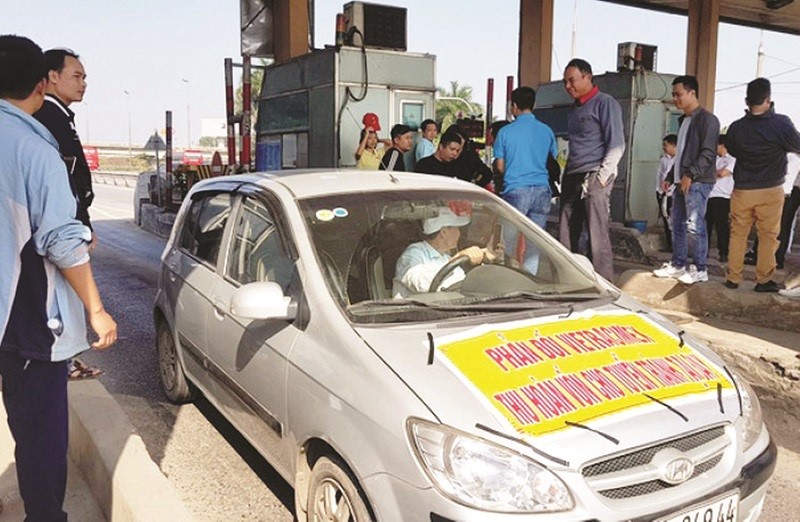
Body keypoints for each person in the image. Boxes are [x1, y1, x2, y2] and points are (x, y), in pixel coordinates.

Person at [0, 34, 117, 521]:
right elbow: (61, 243)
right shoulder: (32, 145)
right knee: (40, 436)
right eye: (77, 75)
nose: (83, 83)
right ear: (41, 83)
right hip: (26, 320)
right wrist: (96, 309)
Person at [33, 48, 103, 380]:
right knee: (60, 295)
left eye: (85, 77)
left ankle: (68, 360)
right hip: (61, 225)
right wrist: (80, 224)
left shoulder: (59, 115)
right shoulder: (48, 117)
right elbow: (65, 182)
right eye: (77, 76)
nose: (84, 83)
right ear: (51, 78)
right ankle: (61, 360)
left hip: (69, 221)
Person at [724, 77, 800, 292]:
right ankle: (763, 280)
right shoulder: (781, 123)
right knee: (768, 236)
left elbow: (733, 150)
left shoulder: (737, 128)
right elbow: (797, 145)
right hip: (770, 189)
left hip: (743, 189)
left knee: (738, 234)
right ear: (768, 99)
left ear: (747, 100)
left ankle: (733, 278)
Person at [559, 59, 625, 281]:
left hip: (595, 175)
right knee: (567, 233)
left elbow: (617, 143)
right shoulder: (573, 109)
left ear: (587, 77)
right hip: (572, 175)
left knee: (597, 236)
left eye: (572, 80)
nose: (568, 86)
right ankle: (572, 280)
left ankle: (604, 284)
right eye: (565, 82)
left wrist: (602, 178)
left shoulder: (605, 103)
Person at [653, 75, 720, 285]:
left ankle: (700, 269)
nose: (675, 98)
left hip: (697, 181)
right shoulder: (684, 120)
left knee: (694, 224)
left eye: (678, 94)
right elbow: (681, 154)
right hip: (681, 181)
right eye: (674, 94)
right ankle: (678, 263)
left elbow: (708, 153)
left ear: (692, 93)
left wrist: (690, 174)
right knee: (677, 223)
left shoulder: (707, 120)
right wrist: (671, 177)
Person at [493, 86, 558, 273]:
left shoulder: (505, 132)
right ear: (534, 105)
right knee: (534, 244)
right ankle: (530, 280)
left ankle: (508, 277)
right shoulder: (546, 131)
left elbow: (499, 166)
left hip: (516, 190)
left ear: (513, 106)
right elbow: (550, 159)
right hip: (542, 191)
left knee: (508, 241)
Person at [393, 207, 500, 298]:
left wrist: (486, 258)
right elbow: (421, 284)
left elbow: (461, 284)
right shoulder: (412, 254)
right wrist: (457, 258)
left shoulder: (444, 257)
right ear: (443, 232)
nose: (459, 234)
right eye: (457, 229)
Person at [744, 152, 800, 269]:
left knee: (782, 226)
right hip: (772, 191)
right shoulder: (780, 155)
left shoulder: (793, 158)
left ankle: (777, 259)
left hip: (785, 194)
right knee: (764, 224)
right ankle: (758, 255)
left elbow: (783, 176)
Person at [706, 135, 735, 263]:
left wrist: (712, 172)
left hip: (723, 197)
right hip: (709, 195)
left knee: (721, 226)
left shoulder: (732, 159)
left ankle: (724, 252)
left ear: (722, 145)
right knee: (705, 225)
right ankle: (703, 251)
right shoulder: (714, 159)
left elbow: (723, 173)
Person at [656, 134, 677, 252]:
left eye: (666, 145)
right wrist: (659, 190)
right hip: (662, 192)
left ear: (674, 145)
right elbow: (660, 175)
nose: (664, 147)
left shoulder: (679, 160)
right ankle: (670, 245)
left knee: (674, 220)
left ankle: (677, 246)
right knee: (666, 220)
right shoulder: (663, 159)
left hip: (673, 193)